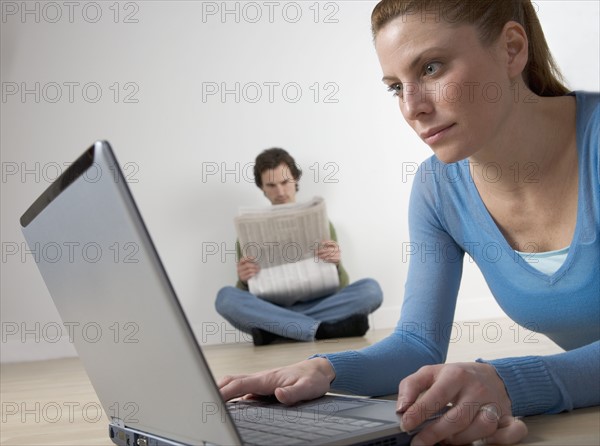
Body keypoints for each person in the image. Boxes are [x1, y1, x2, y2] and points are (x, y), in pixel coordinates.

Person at [218, 1, 600, 445]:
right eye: (395, 87)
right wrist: (321, 369)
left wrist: (510, 381)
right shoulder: (438, 188)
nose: (412, 107)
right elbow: (417, 344)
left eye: (432, 68)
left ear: (511, 49)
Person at [215, 147, 383, 346]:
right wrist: (243, 280)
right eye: (271, 185)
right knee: (225, 299)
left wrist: (336, 264)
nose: (280, 192)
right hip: (273, 310)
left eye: (285, 182)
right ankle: (320, 330)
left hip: (320, 305)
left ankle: (279, 332)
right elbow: (244, 296)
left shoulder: (322, 222)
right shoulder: (247, 231)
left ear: (295, 180)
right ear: (262, 188)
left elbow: (342, 286)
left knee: (371, 290)